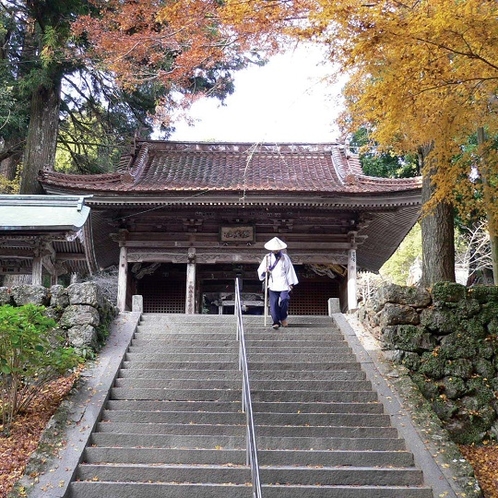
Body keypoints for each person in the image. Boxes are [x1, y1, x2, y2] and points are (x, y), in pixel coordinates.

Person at [257, 237, 299, 329]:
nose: (275, 250)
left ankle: (283, 317)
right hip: (273, 283)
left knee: (285, 299)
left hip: (284, 283)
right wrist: (265, 271)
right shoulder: (267, 257)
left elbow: (289, 271)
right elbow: (261, 270)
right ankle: (276, 322)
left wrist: (290, 283)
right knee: (274, 304)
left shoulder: (285, 257)